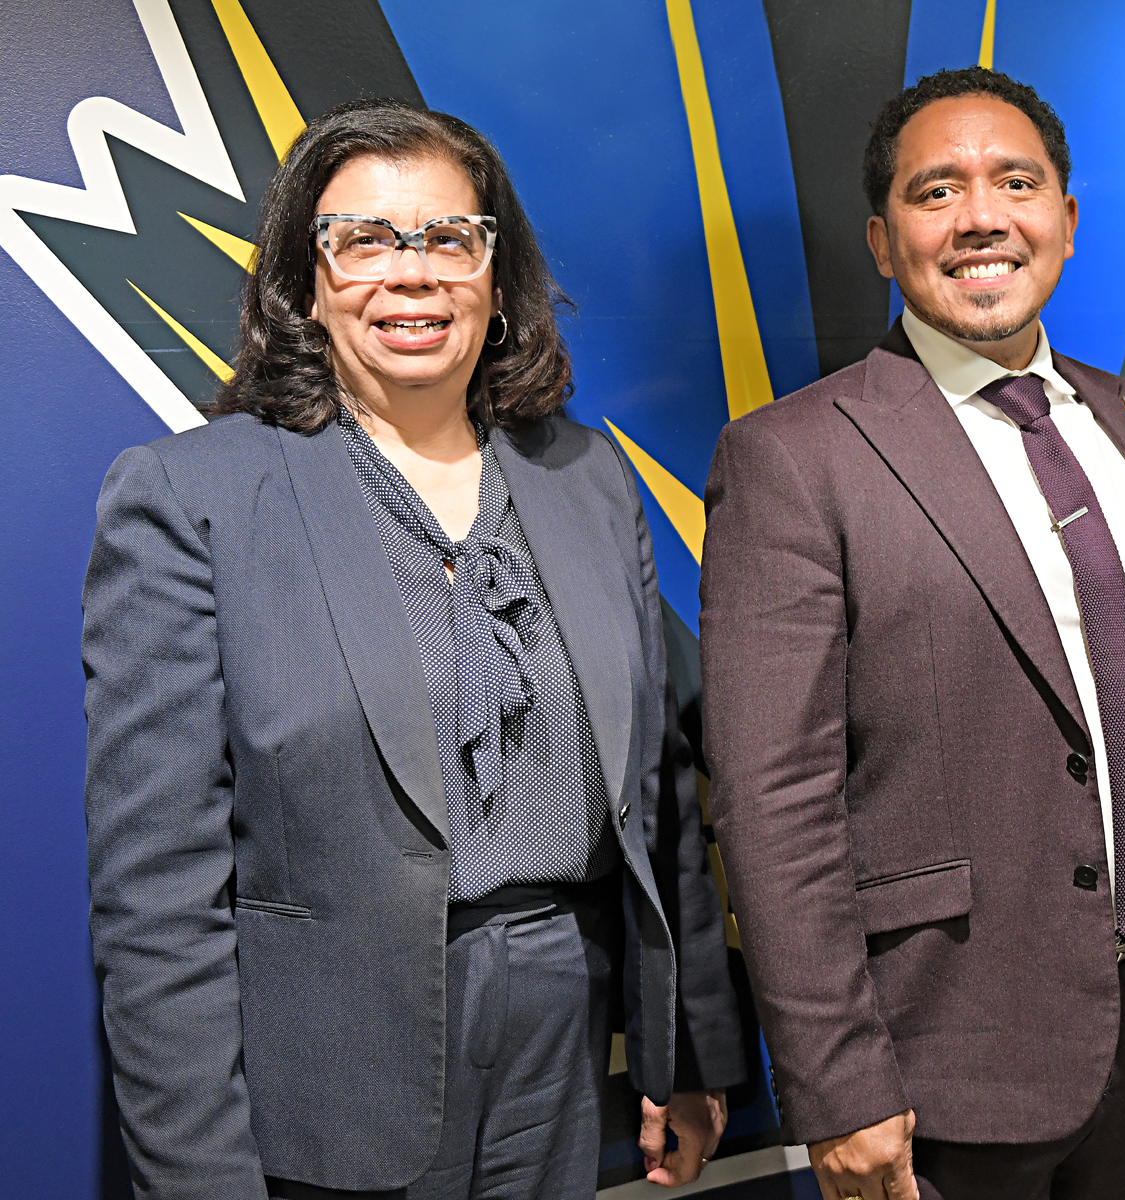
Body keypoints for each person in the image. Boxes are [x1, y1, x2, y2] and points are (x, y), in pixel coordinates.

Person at [83, 98, 742, 1198]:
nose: (414, 272)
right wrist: (196, 1175)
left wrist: (688, 1051)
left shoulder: (583, 478)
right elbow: (157, 895)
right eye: (365, 240)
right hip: (332, 1076)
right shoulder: (192, 498)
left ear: (497, 270)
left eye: (450, 237)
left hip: (563, 1044)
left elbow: (659, 794)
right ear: (304, 279)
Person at [698, 67, 1125, 1200]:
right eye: (938, 191)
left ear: (1065, 224)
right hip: (936, 1058)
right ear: (884, 241)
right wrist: (838, 1085)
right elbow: (771, 801)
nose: (982, 215)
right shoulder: (796, 458)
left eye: (1015, 182)